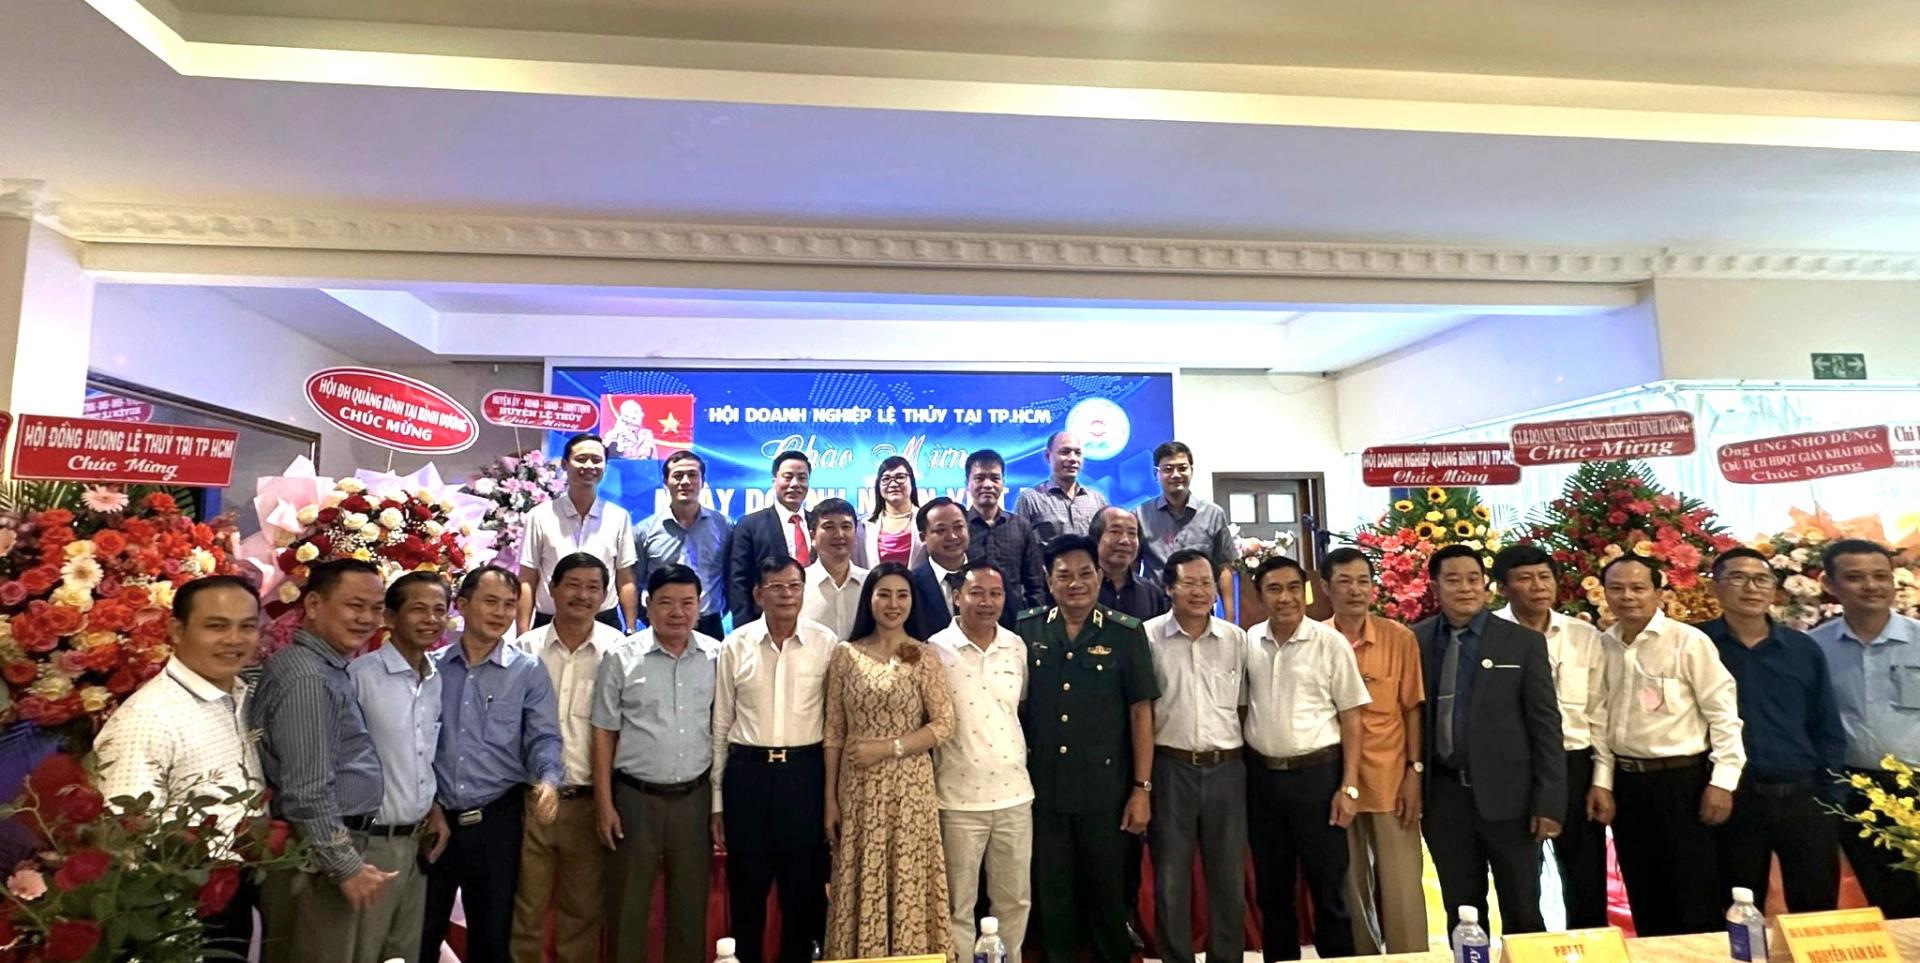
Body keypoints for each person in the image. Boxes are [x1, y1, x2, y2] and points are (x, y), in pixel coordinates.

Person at [96, 575, 267, 957]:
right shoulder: (149, 717)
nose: (234, 639)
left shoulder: (240, 694)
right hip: (177, 909)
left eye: (247, 627)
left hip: (233, 889)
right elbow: (126, 839)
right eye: (216, 626)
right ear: (177, 630)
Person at [1018, 534, 1157, 963]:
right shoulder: (1027, 629)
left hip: (1105, 791)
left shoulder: (1125, 633)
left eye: (1084, 573)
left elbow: (1141, 713)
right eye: (1064, 576)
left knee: (1108, 895)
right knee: (1053, 895)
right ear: (1049, 580)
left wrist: (1141, 788)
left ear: (1099, 576)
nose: (1075, 583)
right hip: (1045, 789)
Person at [1415, 544, 1564, 938]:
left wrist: (1548, 801)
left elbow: (1546, 727)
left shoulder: (1522, 642)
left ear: (1486, 585)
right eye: (1453, 580)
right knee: (1462, 910)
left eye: (1473, 579)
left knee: (1523, 909)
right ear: (1435, 587)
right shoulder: (1417, 640)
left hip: (1511, 799)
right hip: (1445, 798)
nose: (1465, 588)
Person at [250, 559, 395, 963]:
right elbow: (307, 790)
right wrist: (345, 866)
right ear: (313, 605)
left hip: (320, 852)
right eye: (354, 606)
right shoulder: (308, 678)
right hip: (313, 859)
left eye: (376, 608)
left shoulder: (322, 667)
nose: (367, 619)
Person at [1593, 554, 1744, 937]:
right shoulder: (1603, 645)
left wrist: (1723, 782)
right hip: (1628, 785)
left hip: (1683, 783)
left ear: (1659, 593)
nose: (1627, 596)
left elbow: (1724, 715)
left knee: (1693, 894)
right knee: (1644, 892)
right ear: (1604, 594)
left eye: (1638, 587)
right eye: (1616, 588)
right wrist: (1604, 783)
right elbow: (1601, 722)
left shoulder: (1688, 641)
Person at [422, 566, 565, 963]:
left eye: (508, 605)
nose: (501, 613)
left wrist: (549, 780)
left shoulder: (527, 670)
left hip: (496, 821)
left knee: (493, 938)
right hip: (434, 821)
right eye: (490, 602)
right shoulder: (430, 668)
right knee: (422, 934)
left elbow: (543, 736)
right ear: (462, 604)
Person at [824, 562, 958, 959]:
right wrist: (829, 799)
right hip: (858, 791)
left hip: (910, 790)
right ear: (869, 599)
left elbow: (944, 724)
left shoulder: (924, 655)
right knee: (859, 877)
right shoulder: (846, 655)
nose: (893, 603)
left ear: (913, 601)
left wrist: (888, 747)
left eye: (902, 595)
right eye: (884, 594)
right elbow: (834, 732)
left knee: (908, 879)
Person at [1700, 547, 1845, 912]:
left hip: (1803, 797)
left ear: (1774, 590)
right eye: (1737, 578)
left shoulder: (1802, 648)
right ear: (1714, 588)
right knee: (1735, 909)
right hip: (1732, 798)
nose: (1751, 588)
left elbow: (1826, 723)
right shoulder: (1697, 645)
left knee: (1816, 909)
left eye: (1761, 579)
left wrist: (1830, 797)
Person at [712, 557, 839, 963]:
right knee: (746, 893)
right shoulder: (735, 644)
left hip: (804, 777)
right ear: (757, 594)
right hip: (747, 777)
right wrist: (717, 801)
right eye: (776, 587)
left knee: (802, 896)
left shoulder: (826, 644)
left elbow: (834, 725)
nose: (787, 594)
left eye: (794, 586)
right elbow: (721, 724)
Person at [594, 564, 721, 963]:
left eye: (687, 603)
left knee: (690, 910)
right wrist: (604, 804)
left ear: (700, 606)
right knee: (627, 909)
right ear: (648, 606)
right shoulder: (621, 657)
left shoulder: (716, 656)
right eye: (666, 603)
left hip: (694, 799)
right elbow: (603, 732)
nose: (677, 612)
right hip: (635, 799)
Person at [1242, 555, 1365, 961]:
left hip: (1318, 778)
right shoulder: (1249, 642)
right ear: (1261, 596)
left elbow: (1352, 718)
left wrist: (1349, 787)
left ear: (1307, 592)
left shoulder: (1330, 643)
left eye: (1294, 588)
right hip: (1263, 781)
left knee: (1328, 889)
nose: (1286, 598)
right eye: (1274, 589)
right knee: (1272, 890)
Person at [510, 554, 627, 963]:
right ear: (552, 588)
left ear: (606, 595)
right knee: (525, 910)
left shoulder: (619, 650)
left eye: (593, 587)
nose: (582, 594)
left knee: (582, 912)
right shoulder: (524, 649)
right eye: (573, 584)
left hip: (588, 801)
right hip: (529, 801)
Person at [1490, 543, 1613, 930]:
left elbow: (1599, 712)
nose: (1538, 586)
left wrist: (1602, 780)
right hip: (1516, 768)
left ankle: (1593, 949)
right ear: (1502, 587)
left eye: (1545, 577)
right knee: (1520, 881)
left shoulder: (1583, 635)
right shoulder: (1489, 635)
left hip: (1574, 765)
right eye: (1525, 578)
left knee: (1585, 877)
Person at [1142, 549, 1248, 963]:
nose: (1200, 591)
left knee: (1228, 878)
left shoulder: (1235, 639)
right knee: (1171, 878)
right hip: (1171, 768)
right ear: (1169, 587)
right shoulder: (1148, 637)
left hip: (1227, 768)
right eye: (1189, 583)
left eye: (1206, 583)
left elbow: (1244, 706)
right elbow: (1142, 712)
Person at [1320, 547, 1427, 955]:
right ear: (1326, 587)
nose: (1355, 590)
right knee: (1349, 885)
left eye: (1363, 581)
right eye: (1344, 582)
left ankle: (1411, 958)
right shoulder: (1316, 639)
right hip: (1334, 779)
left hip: (1388, 778)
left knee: (1402, 887)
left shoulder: (1399, 638)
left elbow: (1412, 709)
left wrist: (1414, 771)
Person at [346, 572, 453, 963]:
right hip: (370, 843)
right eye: (419, 609)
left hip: (417, 842)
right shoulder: (361, 677)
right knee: (363, 951)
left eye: (439, 610)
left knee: (403, 955)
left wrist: (435, 808)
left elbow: (420, 757)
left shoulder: (435, 679)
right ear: (389, 617)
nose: (431, 619)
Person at [1810, 538, 1920, 918]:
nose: (1871, 586)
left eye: (1880, 576)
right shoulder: (1814, 647)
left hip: (1916, 784)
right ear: (1830, 584)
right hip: (1852, 788)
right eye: (1855, 577)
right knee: (1884, 893)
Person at [929, 562, 1033, 963]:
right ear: (957, 597)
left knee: (1014, 900)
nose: (987, 602)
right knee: (958, 904)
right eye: (977, 593)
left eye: (996, 593)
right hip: (956, 799)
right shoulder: (934, 649)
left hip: (1015, 795)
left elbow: (1019, 709)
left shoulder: (1016, 646)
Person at [517, 433, 640, 633]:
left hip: (603, 623)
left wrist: (631, 628)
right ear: (565, 464)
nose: (589, 466)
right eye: (581, 459)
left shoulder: (618, 517)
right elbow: (527, 579)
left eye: (597, 460)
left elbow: (625, 579)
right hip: (549, 623)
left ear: (605, 467)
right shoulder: (539, 516)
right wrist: (522, 634)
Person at [636, 450, 733, 639]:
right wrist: (646, 617)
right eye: (678, 476)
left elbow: (730, 579)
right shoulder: (644, 531)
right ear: (665, 482)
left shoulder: (724, 526)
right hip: (661, 624)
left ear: (703, 482)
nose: (685, 482)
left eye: (692, 475)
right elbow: (636, 581)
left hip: (709, 624)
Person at [908, 497, 1018, 640]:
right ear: (923, 537)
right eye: (941, 530)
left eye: (958, 527)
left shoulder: (993, 576)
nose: (952, 536)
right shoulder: (911, 584)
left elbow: (1009, 623)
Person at [726, 450, 814, 625]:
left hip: (815, 619)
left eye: (802, 478)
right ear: (774, 481)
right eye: (788, 477)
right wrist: (744, 628)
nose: (795, 484)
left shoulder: (819, 523)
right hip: (766, 623)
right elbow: (738, 581)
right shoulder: (750, 525)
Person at [1134, 441, 1234, 587]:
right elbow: (1133, 565)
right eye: (1168, 469)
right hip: (1155, 599)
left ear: (1191, 471)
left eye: (1182, 468)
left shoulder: (1213, 514)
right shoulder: (1140, 514)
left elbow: (1224, 566)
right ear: (1157, 474)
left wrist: (1228, 603)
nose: (1176, 475)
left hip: (1199, 597)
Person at [963, 449, 1047, 610]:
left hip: (1015, 617)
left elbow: (1035, 585)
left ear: (1003, 483)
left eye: (995, 478)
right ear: (968, 483)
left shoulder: (1021, 526)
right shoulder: (958, 528)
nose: (988, 485)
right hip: (969, 615)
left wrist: (1033, 619)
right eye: (979, 478)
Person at [1013, 431, 1107, 548]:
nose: (1073, 458)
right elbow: (1018, 547)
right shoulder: (1030, 499)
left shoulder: (1097, 500)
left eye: (1078, 453)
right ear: (1047, 456)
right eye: (1065, 452)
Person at [801, 497, 868, 640]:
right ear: (813, 536)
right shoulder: (799, 585)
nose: (839, 535)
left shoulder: (870, 582)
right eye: (829, 527)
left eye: (846, 527)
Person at [1091, 506, 1170, 621]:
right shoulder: (1080, 587)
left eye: (1132, 533)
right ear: (1096, 537)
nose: (1125, 540)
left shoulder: (1151, 593)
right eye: (1115, 532)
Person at [856, 454, 924, 568]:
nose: (893, 484)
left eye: (900, 477)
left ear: (911, 482)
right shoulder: (863, 526)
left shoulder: (926, 521)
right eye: (886, 479)